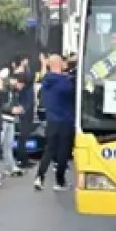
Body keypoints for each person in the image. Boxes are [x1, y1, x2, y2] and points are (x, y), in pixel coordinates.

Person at [35, 54, 76, 192]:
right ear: (59, 64)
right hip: (66, 120)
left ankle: (39, 177)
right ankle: (60, 181)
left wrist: (43, 63)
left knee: (49, 150)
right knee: (63, 152)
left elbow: (43, 74)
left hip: (51, 120)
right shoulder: (66, 82)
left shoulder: (47, 80)